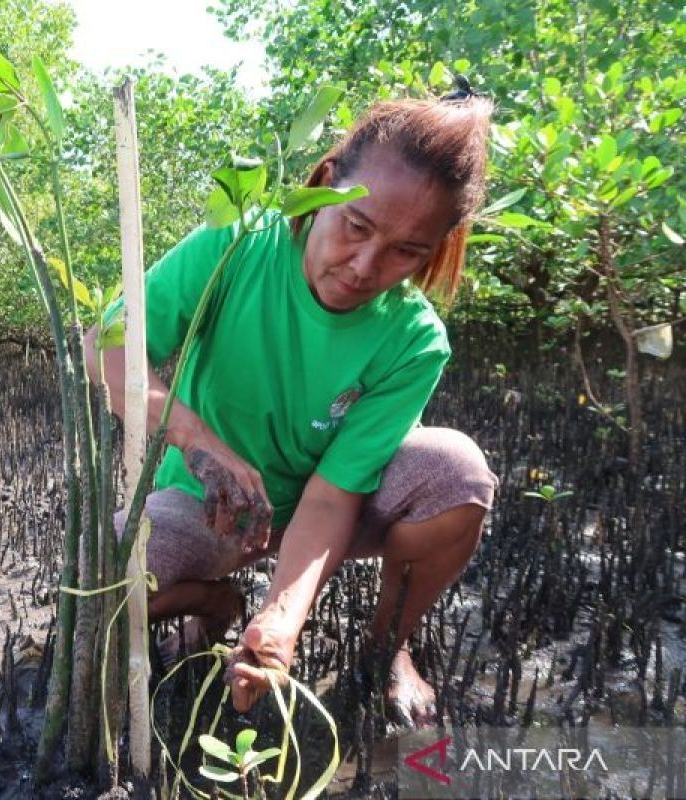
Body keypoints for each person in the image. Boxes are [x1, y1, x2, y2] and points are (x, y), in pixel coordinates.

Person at [84, 91, 499, 725]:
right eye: (356, 227)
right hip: (209, 504)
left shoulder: (414, 340)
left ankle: (387, 648)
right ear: (327, 185)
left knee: (457, 472)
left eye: (406, 252)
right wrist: (196, 440)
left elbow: (332, 498)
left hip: (330, 512)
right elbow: (105, 346)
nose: (365, 267)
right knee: (107, 571)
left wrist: (281, 622)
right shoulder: (238, 244)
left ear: (437, 245)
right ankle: (213, 608)